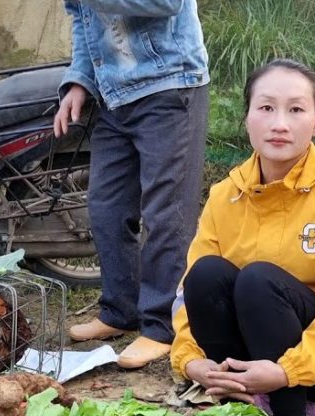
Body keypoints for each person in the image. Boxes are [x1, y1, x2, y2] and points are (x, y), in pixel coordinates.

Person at [170, 59, 315, 416]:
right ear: (248, 117)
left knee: (257, 280)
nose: (279, 123)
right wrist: (189, 360)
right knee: (206, 275)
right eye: (266, 108)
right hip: (255, 358)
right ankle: (246, 411)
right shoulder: (225, 194)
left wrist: (289, 371)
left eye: (296, 109)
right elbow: (189, 295)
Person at [53, 0, 209, 369]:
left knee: (165, 213)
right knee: (105, 207)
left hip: (169, 86)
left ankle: (162, 326)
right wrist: (79, 79)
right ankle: (120, 310)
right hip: (114, 97)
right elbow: (83, 21)